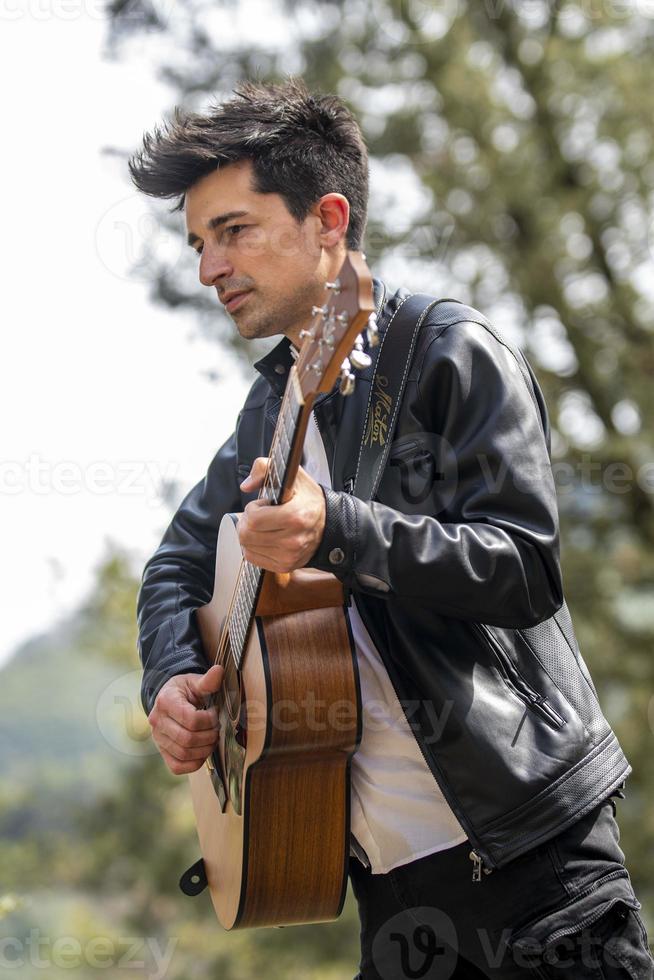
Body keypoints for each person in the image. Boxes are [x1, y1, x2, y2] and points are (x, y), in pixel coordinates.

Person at [131, 77, 653, 979]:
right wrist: (173, 676)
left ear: (328, 221)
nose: (208, 268)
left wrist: (334, 528)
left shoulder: (451, 352)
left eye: (233, 232)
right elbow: (174, 564)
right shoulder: (270, 412)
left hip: (537, 875)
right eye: (197, 243)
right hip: (395, 908)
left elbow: (524, 567)